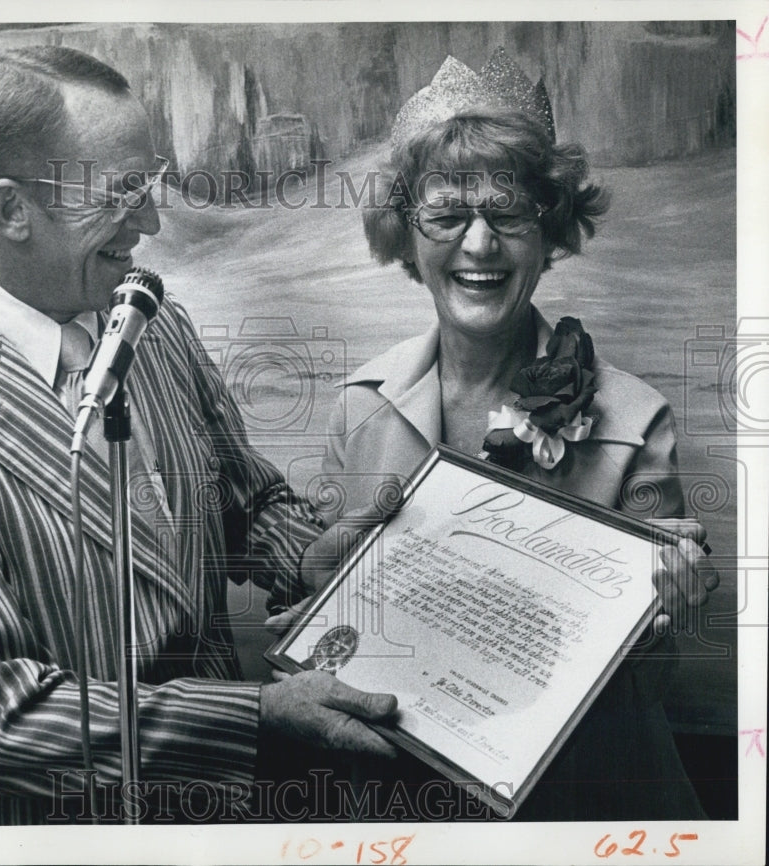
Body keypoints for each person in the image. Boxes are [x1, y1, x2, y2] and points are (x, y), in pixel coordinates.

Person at [0, 46, 399, 825]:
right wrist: (253, 719)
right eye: (122, 194)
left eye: (149, 186)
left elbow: (243, 501)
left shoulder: (153, 324)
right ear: (12, 210)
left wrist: (307, 555)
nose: (151, 222)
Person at [290, 49, 720, 820]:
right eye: (447, 216)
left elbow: (650, 686)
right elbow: (337, 636)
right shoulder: (357, 409)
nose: (480, 245)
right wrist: (316, 591)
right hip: (395, 805)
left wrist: (666, 612)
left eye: (508, 213)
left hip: (579, 809)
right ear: (405, 234)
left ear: (549, 230)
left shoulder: (635, 421)